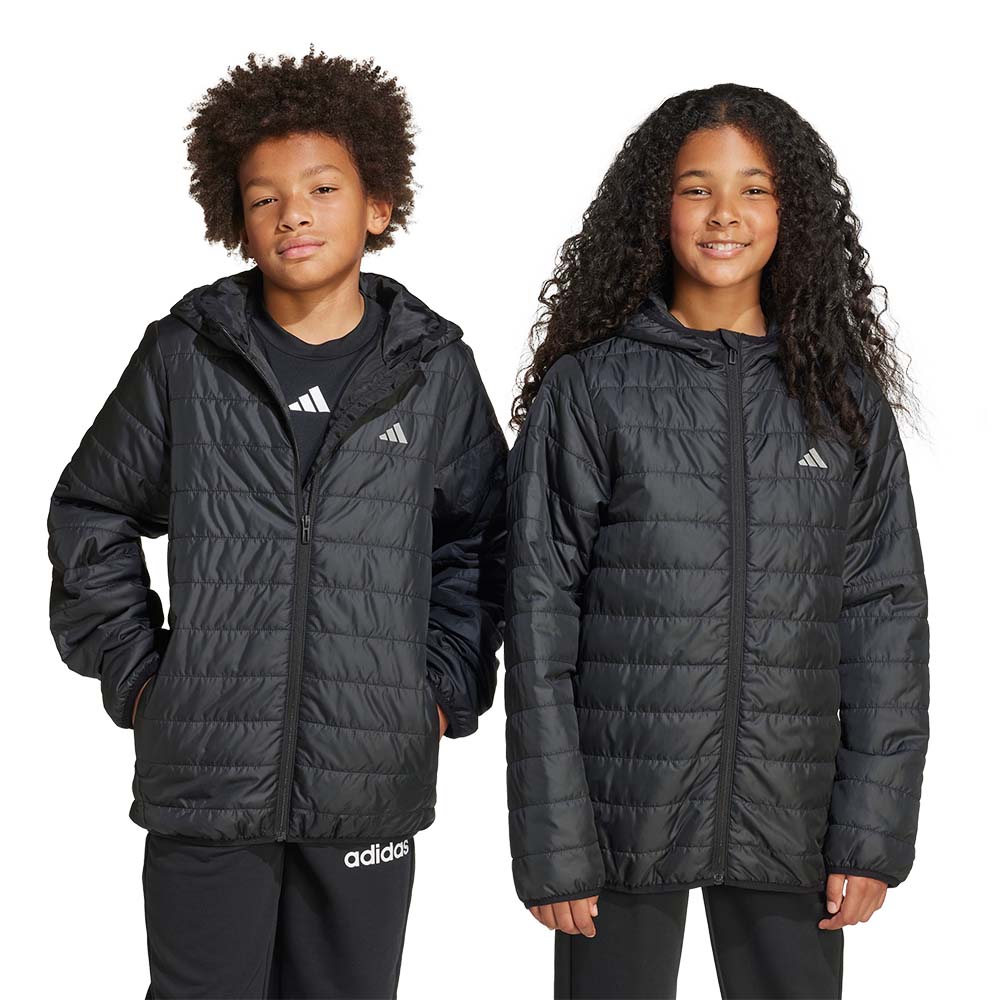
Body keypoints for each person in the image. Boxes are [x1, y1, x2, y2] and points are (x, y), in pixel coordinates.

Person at [46, 46, 507, 999]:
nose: (293, 213)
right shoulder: (186, 357)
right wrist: (143, 678)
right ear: (237, 218)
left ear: (378, 206)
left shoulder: (433, 370)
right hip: (206, 777)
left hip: (369, 773)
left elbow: (480, 540)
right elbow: (92, 508)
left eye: (323, 189)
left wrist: (439, 684)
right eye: (265, 198)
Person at [504, 82, 929, 1000]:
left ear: (792, 213)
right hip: (620, 811)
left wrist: (870, 833)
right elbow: (538, 616)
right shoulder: (593, 388)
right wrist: (554, 841)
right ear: (655, 211)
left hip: (793, 809)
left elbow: (885, 619)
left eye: (753, 189)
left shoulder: (841, 399)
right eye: (696, 188)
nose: (724, 213)